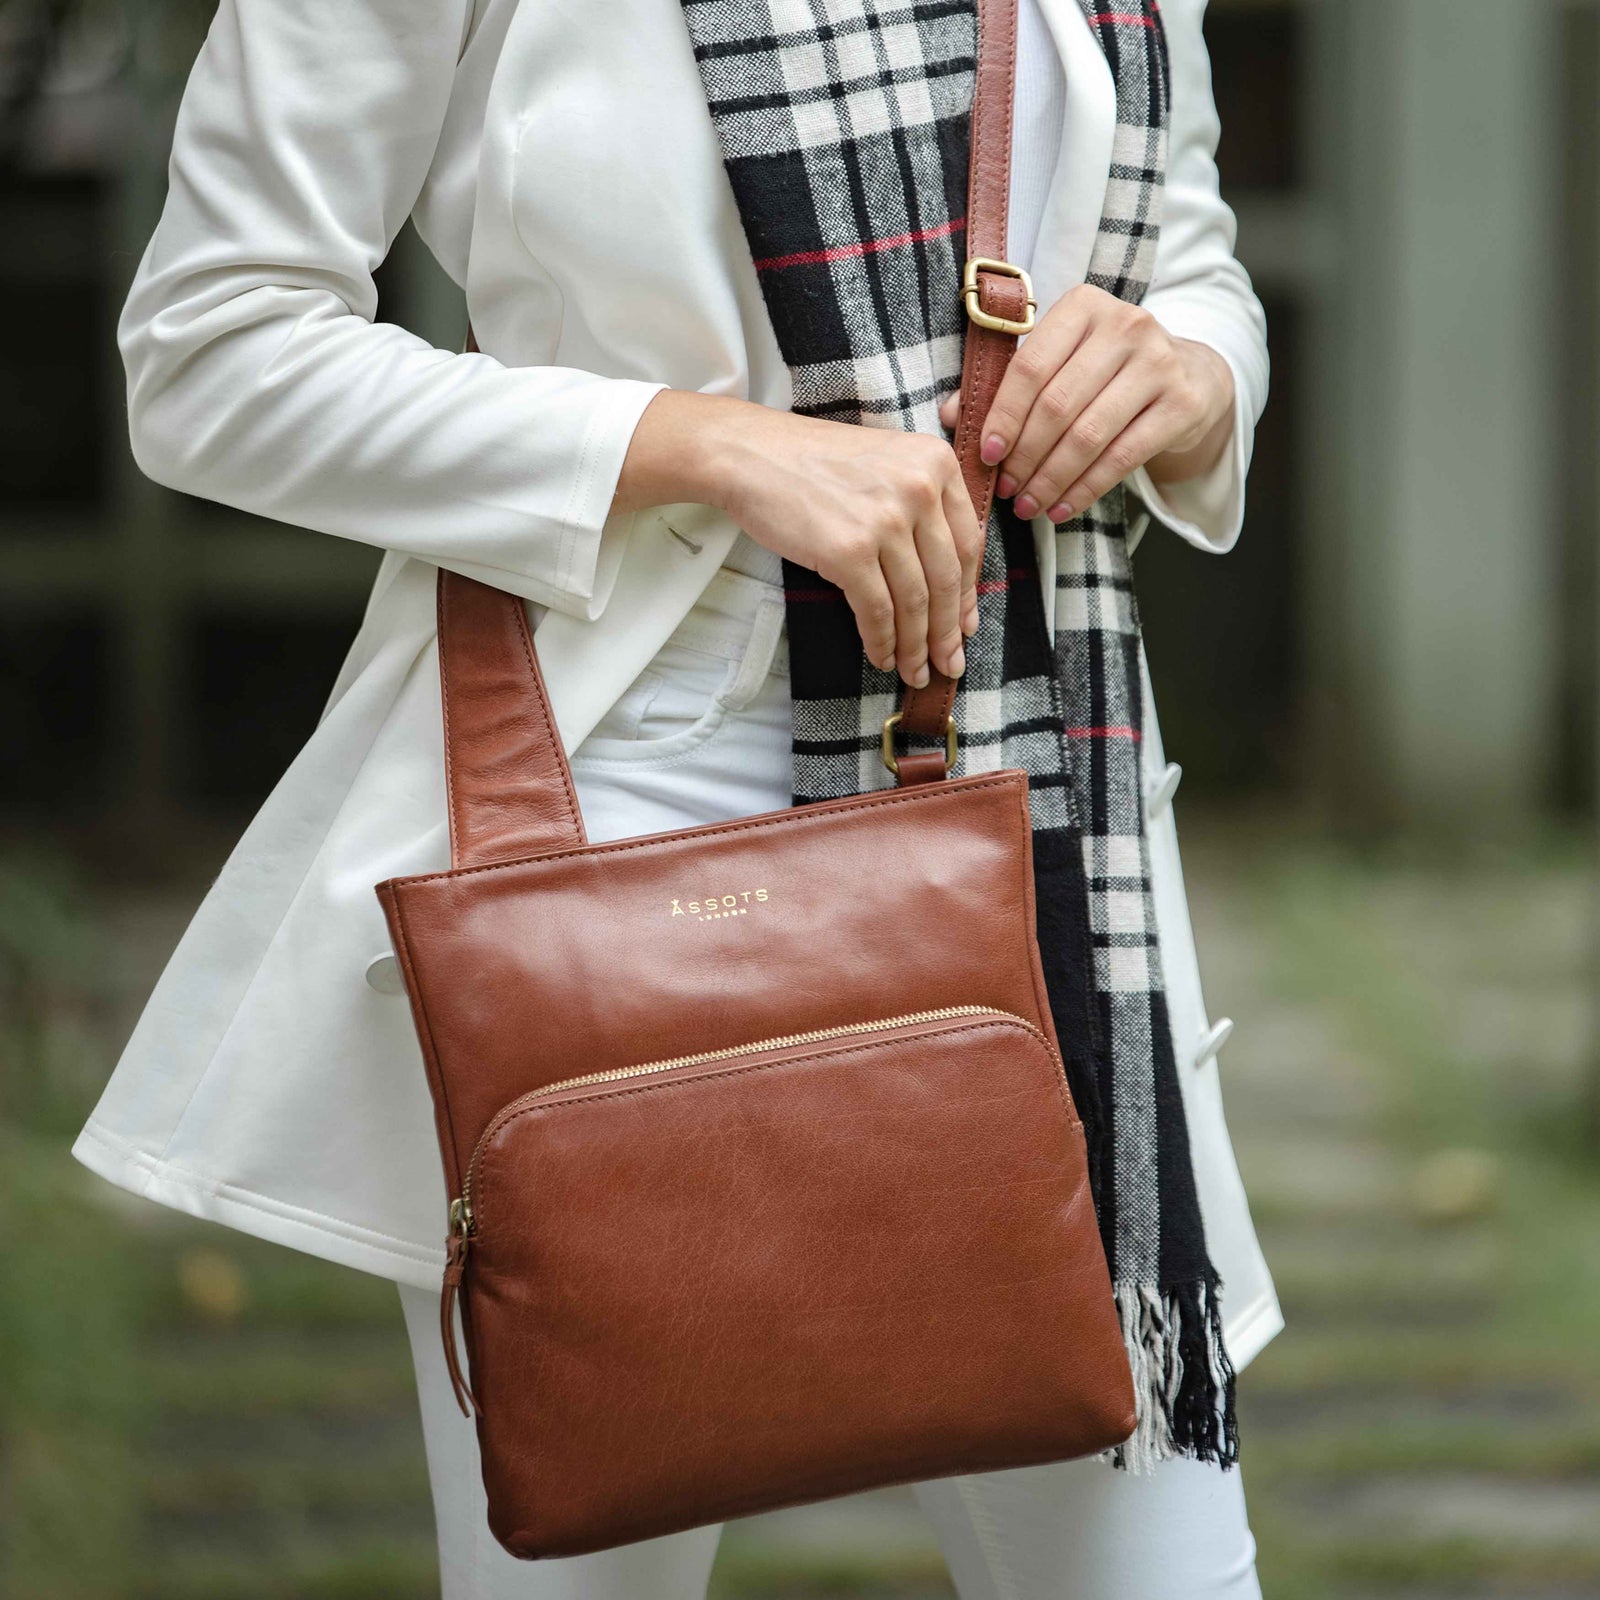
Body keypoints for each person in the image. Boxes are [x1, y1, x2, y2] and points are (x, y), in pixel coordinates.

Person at [76, 0, 1282, 1593]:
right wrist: (700, 443)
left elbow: (1183, 247)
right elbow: (214, 349)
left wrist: (1194, 377)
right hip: (618, 809)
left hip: (1030, 800)